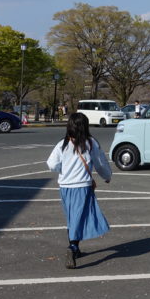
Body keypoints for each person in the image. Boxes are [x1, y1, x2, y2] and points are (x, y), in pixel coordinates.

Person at [46, 112, 112, 268]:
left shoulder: (62, 144)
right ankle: (73, 247)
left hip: (64, 187)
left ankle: (75, 247)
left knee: (72, 217)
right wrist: (107, 176)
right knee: (79, 218)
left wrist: (64, 169)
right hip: (81, 186)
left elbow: (51, 164)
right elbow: (100, 162)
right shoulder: (90, 143)